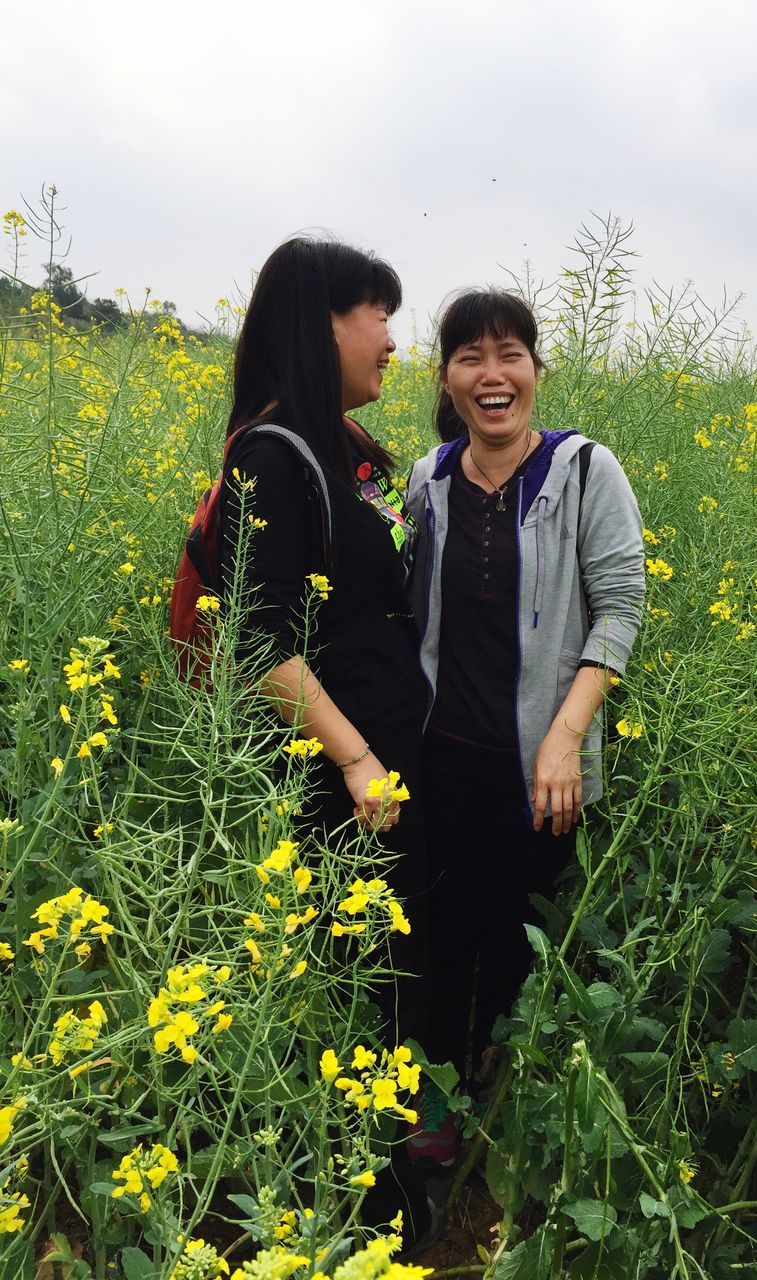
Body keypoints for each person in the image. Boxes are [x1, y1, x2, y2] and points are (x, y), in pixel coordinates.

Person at [219, 237, 436, 1243]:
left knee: (378, 984)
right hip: (329, 790)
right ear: (323, 325)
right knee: (345, 989)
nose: (393, 338)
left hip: (374, 778)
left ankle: (371, 1195)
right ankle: (344, 1209)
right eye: (377, 313)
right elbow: (259, 639)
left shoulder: (336, 448)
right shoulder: (273, 454)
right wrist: (353, 756)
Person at [405, 288, 645, 1164]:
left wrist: (566, 735)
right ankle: (436, 1106)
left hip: (544, 765)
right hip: (440, 760)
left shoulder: (585, 471)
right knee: (439, 938)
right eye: (470, 356)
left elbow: (621, 607)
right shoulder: (427, 479)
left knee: (518, 936)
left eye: (509, 353)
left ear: (536, 370)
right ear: (449, 378)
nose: (491, 374)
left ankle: (504, 1097)